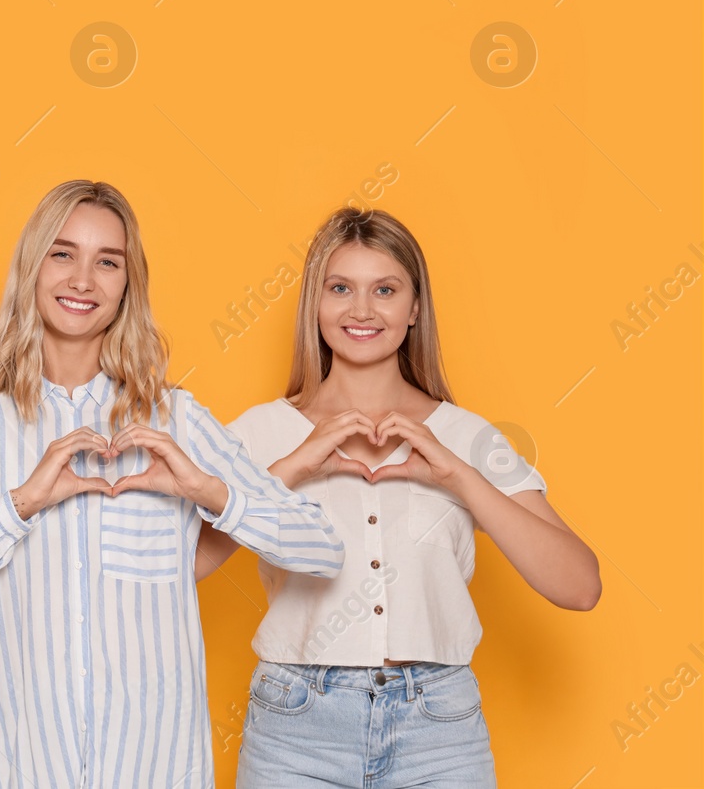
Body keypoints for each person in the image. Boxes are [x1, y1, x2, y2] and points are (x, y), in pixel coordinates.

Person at [0, 180, 345, 789]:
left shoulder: (174, 418)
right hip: (25, 771)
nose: (83, 280)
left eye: (108, 262)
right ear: (32, 266)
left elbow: (322, 550)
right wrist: (20, 507)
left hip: (157, 771)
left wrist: (208, 492)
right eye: (63, 253)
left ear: (128, 285)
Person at [199, 206, 600, 788]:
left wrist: (458, 477)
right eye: (341, 288)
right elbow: (185, 562)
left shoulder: (467, 437)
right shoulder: (260, 433)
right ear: (315, 303)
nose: (362, 310)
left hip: (438, 728)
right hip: (295, 728)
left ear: (414, 309)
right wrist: (292, 467)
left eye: (385, 289)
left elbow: (580, 585)